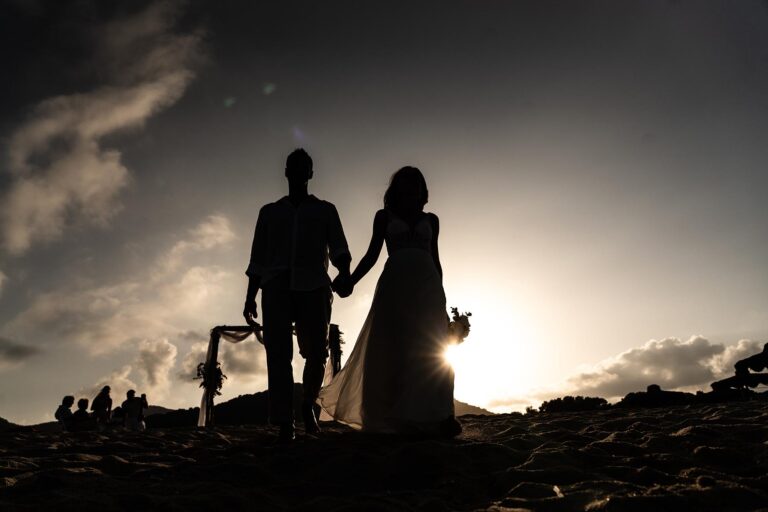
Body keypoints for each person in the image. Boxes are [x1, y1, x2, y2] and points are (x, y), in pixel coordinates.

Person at [319, 166, 461, 436]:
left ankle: (441, 415)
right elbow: (372, 255)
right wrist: (351, 280)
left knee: (433, 348)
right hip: (395, 286)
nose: (411, 189)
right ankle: (393, 415)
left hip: (427, 287)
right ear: (396, 190)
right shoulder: (384, 217)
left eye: (416, 184)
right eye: (405, 184)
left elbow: (436, 260)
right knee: (393, 346)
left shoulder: (432, 220)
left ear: (422, 190)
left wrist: (443, 300)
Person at [243, 148, 352, 443]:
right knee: (278, 353)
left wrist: (344, 273)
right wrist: (250, 296)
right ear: (287, 172)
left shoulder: (326, 210)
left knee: (317, 352)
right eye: (294, 166)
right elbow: (258, 259)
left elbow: (340, 248)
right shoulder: (269, 212)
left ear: (311, 173)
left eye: (305, 166)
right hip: (276, 286)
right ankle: (284, 422)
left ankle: (308, 405)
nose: (299, 170)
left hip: (315, 286)